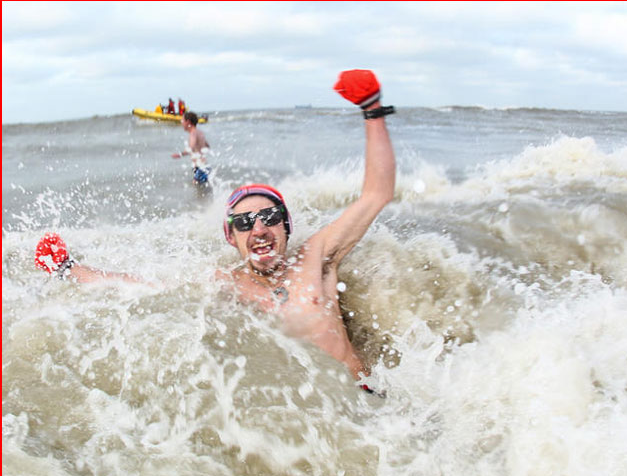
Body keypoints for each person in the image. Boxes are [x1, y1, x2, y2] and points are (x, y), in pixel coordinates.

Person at [35, 70, 396, 389]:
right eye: (244, 222)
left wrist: (372, 109)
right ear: (231, 237)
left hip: (363, 400)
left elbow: (376, 194)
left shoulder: (316, 257)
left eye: (270, 218)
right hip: (313, 411)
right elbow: (140, 287)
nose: (258, 228)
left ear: (286, 227)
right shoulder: (229, 283)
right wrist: (68, 269)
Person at [172, 111, 211, 184]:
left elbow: (191, 148)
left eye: (182, 121)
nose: (181, 123)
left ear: (188, 122)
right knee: (203, 190)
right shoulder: (199, 132)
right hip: (205, 166)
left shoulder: (193, 134)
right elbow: (207, 146)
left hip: (200, 168)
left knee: (198, 189)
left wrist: (180, 154)